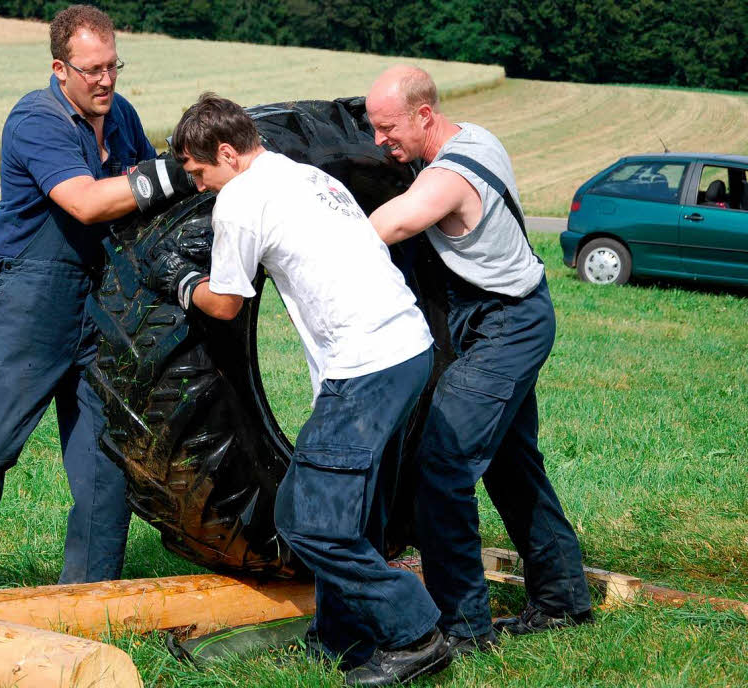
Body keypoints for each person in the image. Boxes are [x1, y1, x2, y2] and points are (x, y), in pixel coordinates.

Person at [150, 92, 451, 687]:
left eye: (199, 171)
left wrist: (180, 281)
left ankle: (415, 635)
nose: (199, 185)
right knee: (351, 510)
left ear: (228, 154)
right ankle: (339, 637)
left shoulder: (239, 200)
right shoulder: (304, 174)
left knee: (308, 518)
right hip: (408, 347)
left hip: (366, 365)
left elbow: (227, 303)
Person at [0, 4, 196, 603]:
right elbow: (90, 204)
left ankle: (87, 596)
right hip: (29, 300)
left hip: (101, 304)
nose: (105, 80)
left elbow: (143, 195)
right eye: (91, 69)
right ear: (59, 68)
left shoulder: (120, 116)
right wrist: (179, 172)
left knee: (106, 460)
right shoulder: (35, 119)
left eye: (112, 66)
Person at [365, 65, 592, 654]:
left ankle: (464, 630)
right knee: (512, 465)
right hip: (512, 313)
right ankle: (564, 599)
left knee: (442, 467)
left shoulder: (446, 179)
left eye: (388, 128)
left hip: (506, 325)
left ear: (424, 115)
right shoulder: (477, 135)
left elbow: (388, 225)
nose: (378, 142)